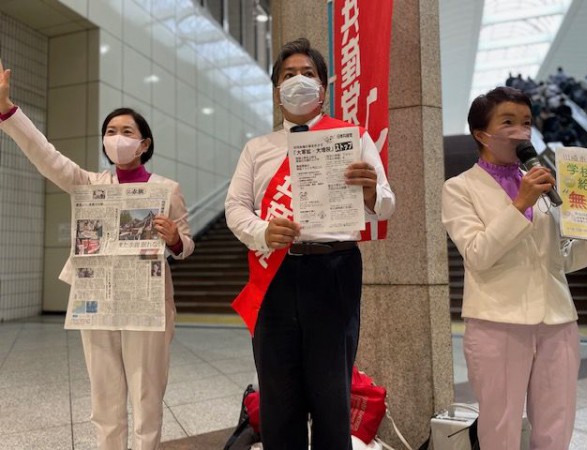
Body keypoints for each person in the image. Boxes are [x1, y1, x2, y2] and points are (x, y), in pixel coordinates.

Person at [0, 60, 194, 450]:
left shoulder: (166, 189)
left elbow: (186, 245)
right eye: (110, 131)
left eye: (127, 131)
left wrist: (174, 238)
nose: (117, 138)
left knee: (147, 396)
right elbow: (47, 156)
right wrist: (7, 110)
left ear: (144, 144)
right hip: (98, 301)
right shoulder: (89, 184)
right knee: (104, 398)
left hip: (148, 303)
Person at [224, 38, 395, 450]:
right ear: (276, 89)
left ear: (323, 87)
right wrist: (262, 232)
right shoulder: (258, 149)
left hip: (334, 271)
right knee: (279, 390)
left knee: (331, 391)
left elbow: (386, 204)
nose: (298, 81)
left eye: (308, 74)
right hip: (276, 272)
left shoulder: (351, 138)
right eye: (288, 75)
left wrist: (371, 192)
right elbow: (235, 208)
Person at [442, 86, 587, 450]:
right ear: (481, 133)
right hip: (498, 324)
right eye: (508, 122)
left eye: (527, 122)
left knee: (556, 425)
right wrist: (520, 203)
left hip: (557, 320)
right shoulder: (459, 188)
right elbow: (478, 253)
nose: (522, 131)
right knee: (500, 428)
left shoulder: (543, 183)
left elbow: (563, 259)